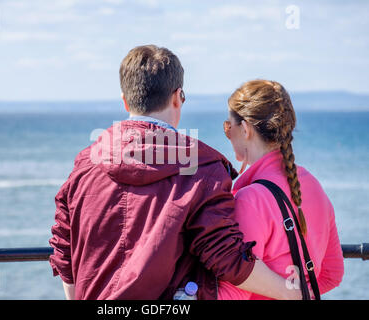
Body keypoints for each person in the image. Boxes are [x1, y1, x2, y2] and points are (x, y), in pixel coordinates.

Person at [49, 45, 301, 300]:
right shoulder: (203, 167)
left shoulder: (84, 165)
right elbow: (225, 256)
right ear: (177, 97)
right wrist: (291, 292)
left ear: (125, 100)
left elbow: (64, 253)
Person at [218, 79, 345, 299]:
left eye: (228, 127)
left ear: (245, 129)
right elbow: (332, 274)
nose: (228, 134)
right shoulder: (312, 184)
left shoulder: (250, 199)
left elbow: (232, 293)